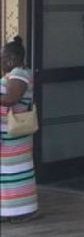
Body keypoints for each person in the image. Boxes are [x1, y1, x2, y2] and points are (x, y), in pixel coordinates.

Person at [1, 36, 38, 222]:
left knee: (15, 172)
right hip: (8, 136)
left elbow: (11, 99)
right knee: (6, 175)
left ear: (11, 59)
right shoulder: (16, 73)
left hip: (13, 135)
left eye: (2, 58)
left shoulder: (19, 73)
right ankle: (8, 211)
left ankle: (22, 210)